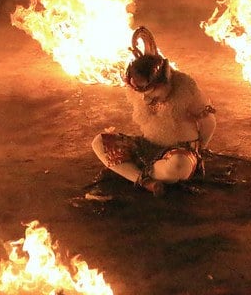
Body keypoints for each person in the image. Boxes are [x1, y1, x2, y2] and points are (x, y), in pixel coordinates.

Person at [91, 27, 217, 196]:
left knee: (177, 166)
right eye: (141, 94)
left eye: (151, 93)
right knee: (99, 142)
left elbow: (209, 122)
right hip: (146, 147)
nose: (145, 99)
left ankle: (131, 171)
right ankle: (144, 180)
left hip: (179, 153)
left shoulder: (186, 89)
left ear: (165, 82)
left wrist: (199, 150)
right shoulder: (137, 89)